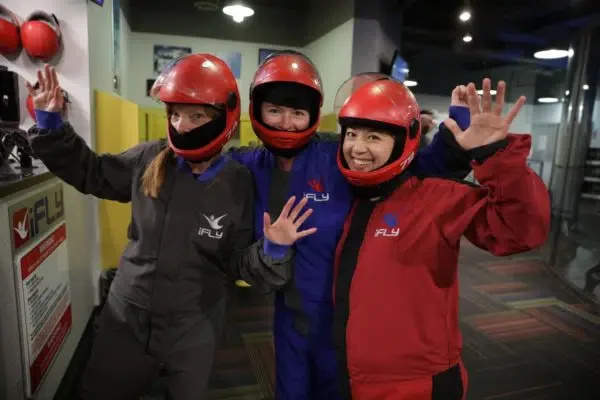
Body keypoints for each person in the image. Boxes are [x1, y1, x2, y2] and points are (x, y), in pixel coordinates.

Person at [25, 57, 316, 400]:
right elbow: (93, 173)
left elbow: (236, 261)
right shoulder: (150, 158)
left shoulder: (238, 182)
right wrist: (49, 121)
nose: (182, 125)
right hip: (126, 315)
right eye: (175, 114)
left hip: (194, 325)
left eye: (196, 116)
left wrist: (273, 249)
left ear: (223, 117)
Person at [227, 51, 475, 399]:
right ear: (258, 110)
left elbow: (413, 169)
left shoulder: (340, 153)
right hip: (291, 318)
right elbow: (196, 166)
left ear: (313, 114)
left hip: (347, 323)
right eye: (275, 110)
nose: (286, 122)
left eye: (297, 112)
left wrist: (454, 141)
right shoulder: (244, 165)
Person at [332, 76, 551, 399]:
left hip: (416, 384)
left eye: (374, 137)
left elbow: (520, 231)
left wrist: (496, 157)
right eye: (351, 134)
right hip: (351, 377)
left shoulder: (434, 197)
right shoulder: (350, 197)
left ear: (401, 142)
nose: (357, 148)